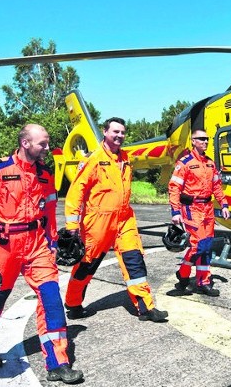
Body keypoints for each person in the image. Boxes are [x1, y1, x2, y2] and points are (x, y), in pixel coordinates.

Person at [0, 124, 83, 384]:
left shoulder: (46, 175)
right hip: (4, 246)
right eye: (43, 143)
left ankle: (58, 363)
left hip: (38, 244)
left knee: (51, 299)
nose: (48, 148)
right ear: (25, 143)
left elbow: (50, 211)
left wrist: (52, 242)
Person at [63, 117, 168, 322]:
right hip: (97, 222)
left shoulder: (125, 158)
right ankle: (73, 302)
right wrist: (72, 225)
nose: (119, 136)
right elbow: (76, 192)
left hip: (124, 219)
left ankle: (146, 307)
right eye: (115, 132)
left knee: (134, 261)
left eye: (122, 132)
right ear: (105, 132)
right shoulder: (92, 159)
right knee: (86, 265)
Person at [168, 129, 230, 296]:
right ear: (193, 141)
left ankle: (204, 282)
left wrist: (224, 204)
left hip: (208, 209)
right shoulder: (184, 163)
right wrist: (175, 211)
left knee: (207, 247)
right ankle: (183, 274)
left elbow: (216, 186)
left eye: (207, 139)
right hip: (191, 209)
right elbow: (174, 188)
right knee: (198, 246)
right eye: (201, 139)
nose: (205, 142)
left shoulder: (210, 163)